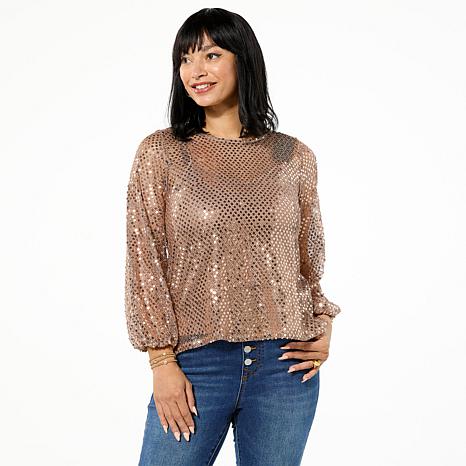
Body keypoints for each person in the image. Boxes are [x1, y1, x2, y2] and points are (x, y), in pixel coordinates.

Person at [125, 7, 342, 466]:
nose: (195, 71)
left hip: (284, 368)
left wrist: (322, 322)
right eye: (185, 59)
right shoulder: (161, 153)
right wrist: (161, 362)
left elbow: (307, 262)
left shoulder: (294, 157)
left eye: (211, 55)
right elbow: (144, 259)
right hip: (196, 363)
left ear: (243, 60)